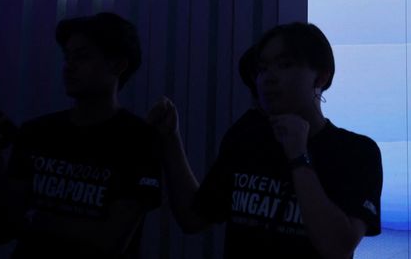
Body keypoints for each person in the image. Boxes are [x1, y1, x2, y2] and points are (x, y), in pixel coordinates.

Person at [149, 22, 382, 258]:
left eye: (285, 65)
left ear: (321, 77)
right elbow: (193, 219)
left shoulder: (357, 152)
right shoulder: (246, 138)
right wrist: (171, 138)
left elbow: (337, 248)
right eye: (262, 69)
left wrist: (298, 156)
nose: (268, 78)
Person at [0, 12, 162, 258]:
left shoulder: (139, 140)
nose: (69, 66)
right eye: (67, 56)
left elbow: (111, 240)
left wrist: (33, 220)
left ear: (118, 65)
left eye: (82, 56)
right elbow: (0, 229)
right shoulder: (37, 132)